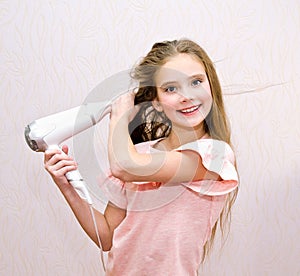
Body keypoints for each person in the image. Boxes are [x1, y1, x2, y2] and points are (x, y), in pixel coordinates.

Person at [44, 39, 239, 275]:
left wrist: (119, 115)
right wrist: (66, 186)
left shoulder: (215, 155)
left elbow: (125, 166)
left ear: (211, 86)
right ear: (156, 102)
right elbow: (105, 235)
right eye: (171, 88)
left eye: (196, 82)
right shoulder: (140, 154)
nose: (186, 96)